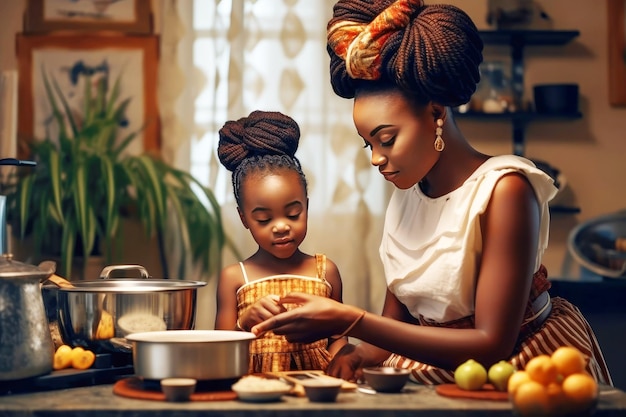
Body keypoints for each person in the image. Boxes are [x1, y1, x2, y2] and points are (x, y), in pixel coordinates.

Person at [251, 0, 613, 386]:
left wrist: (350, 319)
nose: (376, 158)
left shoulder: (505, 190)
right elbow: (397, 322)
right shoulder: (409, 193)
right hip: (444, 365)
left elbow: (491, 343)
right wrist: (357, 354)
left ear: (437, 113)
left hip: (522, 366)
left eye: (386, 139)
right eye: (367, 144)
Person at [214, 110, 347, 374]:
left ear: (306, 207)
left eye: (293, 214)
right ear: (244, 218)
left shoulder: (326, 272)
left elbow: (338, 338)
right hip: (255, 393)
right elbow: (219, 350)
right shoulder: (234, 277)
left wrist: (337, 365)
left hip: (316, 390)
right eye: (264, 219)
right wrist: (243, 324)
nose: (282, 226)